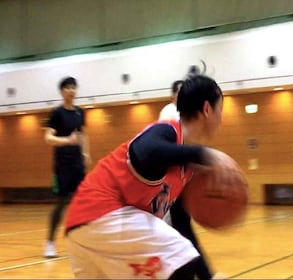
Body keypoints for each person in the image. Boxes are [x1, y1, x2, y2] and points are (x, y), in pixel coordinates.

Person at [65, 75, 239, 279]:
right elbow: (147, 151)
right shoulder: (167, 131)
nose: (222, 118)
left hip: (82, 229)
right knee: (178, 258)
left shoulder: (187, 167)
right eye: (221, 110)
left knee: (179, 253)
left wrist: (207, 276)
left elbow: (182, 227)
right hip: (102, 211)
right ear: (208, 109)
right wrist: (205, 154)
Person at [159, 79, 214, 280]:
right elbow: (176, 152)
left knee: (182, 232)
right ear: (173, 95)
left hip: (178, 179)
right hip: (168, 182)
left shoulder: (188, 119)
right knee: (180, 232)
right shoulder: (170, 113)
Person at [43, 76, 91, 258]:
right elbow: (48, 138)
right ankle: (50, 242)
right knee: (61, 203)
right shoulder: (56, 113)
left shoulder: (80, 112)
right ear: (62, 92)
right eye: (68, 88)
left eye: (74, 87)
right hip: (62, 165)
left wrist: (86, 153)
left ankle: (84, 241)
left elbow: (83, 135)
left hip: (78, 164)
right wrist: (66, 141)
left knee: (84, 201)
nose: (72, 91)